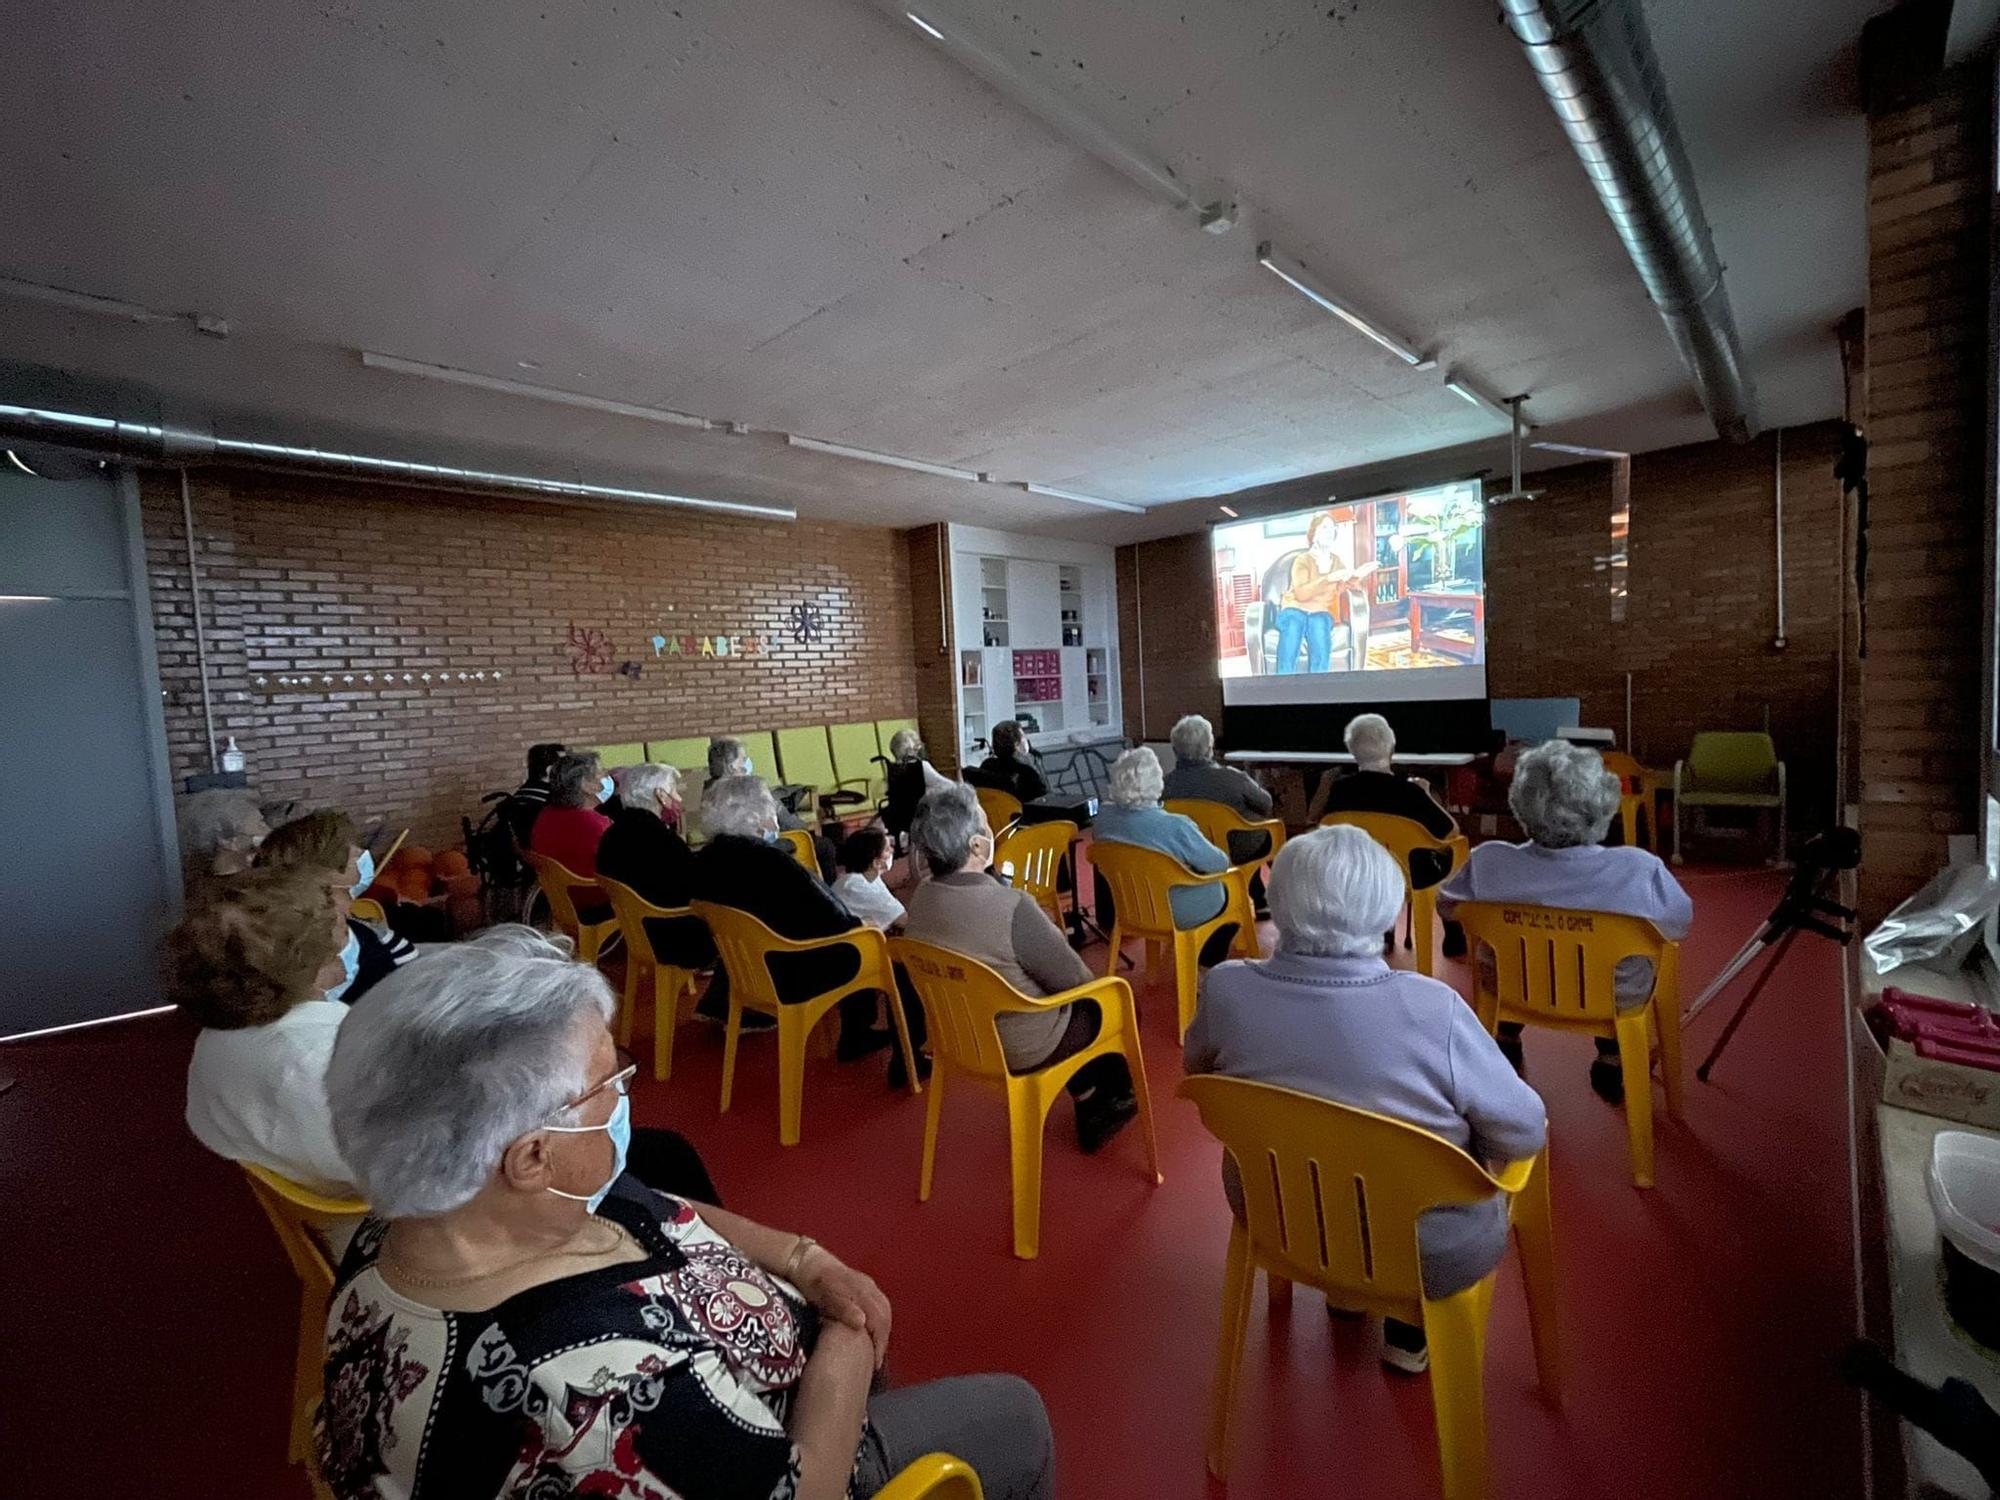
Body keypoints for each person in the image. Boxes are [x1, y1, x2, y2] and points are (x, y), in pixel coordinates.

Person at [318, 927, 1054, 1500]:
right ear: (531, 1156)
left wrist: (803, 1259)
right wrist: (846, 1341)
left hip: (777, 1359)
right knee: (1017, 1416)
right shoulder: (596, 1401)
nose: (627, 1093)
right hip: (808, 1431)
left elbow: (650, 1204)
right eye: (611, 1079)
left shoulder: (425, 1219)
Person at [1185, 825, 1546, 1373]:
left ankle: (1345, 1289)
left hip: (1276, 1212)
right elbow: (1522, 1132)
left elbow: (1200, 1073)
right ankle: (1405, 1321)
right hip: (1428, 1249)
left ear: (1277, 899)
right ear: (1387, 907)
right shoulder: (1434, 1010)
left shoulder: (1227, 989)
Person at [1438, 739, 1693, 1104]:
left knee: (1509, 959)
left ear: (1520, 802)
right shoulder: (1638, 869)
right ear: (1604, 804)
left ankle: (1506, 1038)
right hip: (1612, 996)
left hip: (1511, 987)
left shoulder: (1488, 861)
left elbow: (1447, 906)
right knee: (1619, 966)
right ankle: (1611, 1057)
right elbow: (1677, 923)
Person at [901, 785, 1138, 1153]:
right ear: (977, 847)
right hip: (1022, 1046)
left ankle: (1087, 1091)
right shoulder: (1012, 906)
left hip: (959, 1038)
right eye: (985, 821)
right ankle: (1103, 1103)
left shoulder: (920, 898)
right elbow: (1076, 981)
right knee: (1111, 1002)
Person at [692, 775, 909, 1066]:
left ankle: (859, 1033)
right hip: (792, 969)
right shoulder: (772, 863)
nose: (776, 817)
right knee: (879, 948)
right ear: (755, 817)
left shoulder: (707, 858)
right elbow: (829, 919)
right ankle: (890, 1048)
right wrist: (861, 926)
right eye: (771, 809)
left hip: (747, 970)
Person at [171, 865, 359, 1200]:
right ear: (314, 967)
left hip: (262, 1163)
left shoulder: (221, 1026)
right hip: (346, 1200)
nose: (351, 938)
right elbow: (392, 1163)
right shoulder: (316, 1062)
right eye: (343, 929)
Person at [1092, 745, 1240, 966]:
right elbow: (1219, 863)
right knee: (1233, 895)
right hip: (1177, 910)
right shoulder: (1175, 825)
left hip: (1129, 907)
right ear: (1156, 782)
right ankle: (1205, 966)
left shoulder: (1103, 818)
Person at [256, 808, 417, 1003]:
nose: (362, 855)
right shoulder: (282, 956)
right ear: (317, 872)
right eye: (349, 853)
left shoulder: (371, 935)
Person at [1161, 712, 1276, 872]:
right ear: (1210, 746)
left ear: (1174, 750)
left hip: (1187, 854)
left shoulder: (1163, 787)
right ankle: (1253, 890)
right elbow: (1266, 803)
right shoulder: (1233, 777)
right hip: (1238, 850)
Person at [1273, 507, 1376, 675]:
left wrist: (1358, 576)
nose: (1329, 532)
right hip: (1294, 608)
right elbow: (1301, 593)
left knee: (1319, 627)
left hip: (1321, 611)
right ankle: (1283, 690)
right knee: (1292, 627)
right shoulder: (1303, 560)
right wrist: (1328, 578)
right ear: (1313, 535)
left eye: (1332, 528)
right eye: (1324, 528)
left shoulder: (1337, 561)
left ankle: (1319, 690)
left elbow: (1341, 588)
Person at [529, 750, 615, 878]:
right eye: (601, 772)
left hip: (558, 891)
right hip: (594, 892)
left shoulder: (546, 814)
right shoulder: (596, 825)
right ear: (586, 786)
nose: (607, 774)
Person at [175, 787, 269, 882]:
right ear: (226, 841)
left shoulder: (197, 884)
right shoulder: (246, 890)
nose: (268, 830)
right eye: (260, 824)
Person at [832, 826, 906, 931]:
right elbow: (903, 920)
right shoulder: (860, 886)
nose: (892, 851)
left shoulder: (851, 880)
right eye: (887, 849)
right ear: (876, 862)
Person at [503, 741, 567, 846]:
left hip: (529, 857)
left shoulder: (521, 794)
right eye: (563, 765)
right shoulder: (551, 800)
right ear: (550, 770)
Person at [977, 720, 1047, 802]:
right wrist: (1036, 765)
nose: (1027, 740)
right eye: (1024, 737)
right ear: (1016, 745)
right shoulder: (1027, 773)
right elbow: (1045, 799)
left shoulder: (986, 765)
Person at [887, 727, 954, 796]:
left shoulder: (892, 768)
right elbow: (947, 785)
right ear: (911, 749)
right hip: (921, 805)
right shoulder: (920, 766)